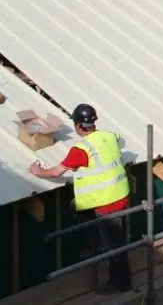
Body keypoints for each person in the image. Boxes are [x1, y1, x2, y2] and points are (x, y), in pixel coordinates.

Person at [29, 103, 132, 294]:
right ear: (93, 123)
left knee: (114, 247)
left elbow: (55, 173)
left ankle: (120, 283)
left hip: (106, 203)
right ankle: (95, 244)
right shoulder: (109, 135)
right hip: (120, 195)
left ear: (77, 125)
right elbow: (119, 139)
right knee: (76, 207)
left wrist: (37, 171)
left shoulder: (81, 150)